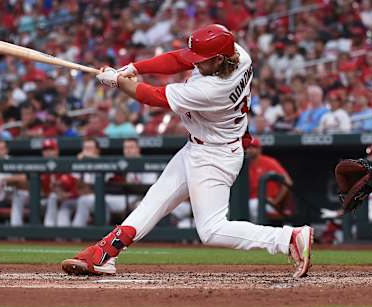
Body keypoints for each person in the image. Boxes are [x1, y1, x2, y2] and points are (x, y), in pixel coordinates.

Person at [61, 24, 313, 278]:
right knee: (154, 200)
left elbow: (154, 97)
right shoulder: (237, 53)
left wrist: (117, 81)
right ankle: (106, 253)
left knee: (211, 230)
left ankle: (287, 238)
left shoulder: (212, 89)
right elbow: (179, 58)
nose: (195, 63)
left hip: (215, 155)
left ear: (218, 59)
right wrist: (136, 68)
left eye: (202, 60)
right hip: (200, 145)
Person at [0, 139, 28, 226]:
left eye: (1, 149)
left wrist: (7, 179)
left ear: (6, 150)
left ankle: (16, 232)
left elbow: (25, 178)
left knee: (19, 196)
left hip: (15, 196)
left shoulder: (13, 162)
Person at [247, 138, 293, 223]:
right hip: (251, 200)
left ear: (259, 149)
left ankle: (258, 232)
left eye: (253, 147)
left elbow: (288, 182)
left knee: (252, 206)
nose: (249, 150)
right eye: (248, 147)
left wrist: (276, 201)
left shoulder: (269, 162)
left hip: (269, 202)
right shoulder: (245, 164)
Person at [40, 139, 79, 227]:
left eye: (51, 149)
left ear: (57, 151)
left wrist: (65, 194)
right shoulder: (39, 168)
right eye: (45, 150)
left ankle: (50, 229)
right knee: (52, 197)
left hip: (68, 200)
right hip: (47, 201)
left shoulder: (66, 165)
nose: (48, 153)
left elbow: (75, 189)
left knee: (63, 219)